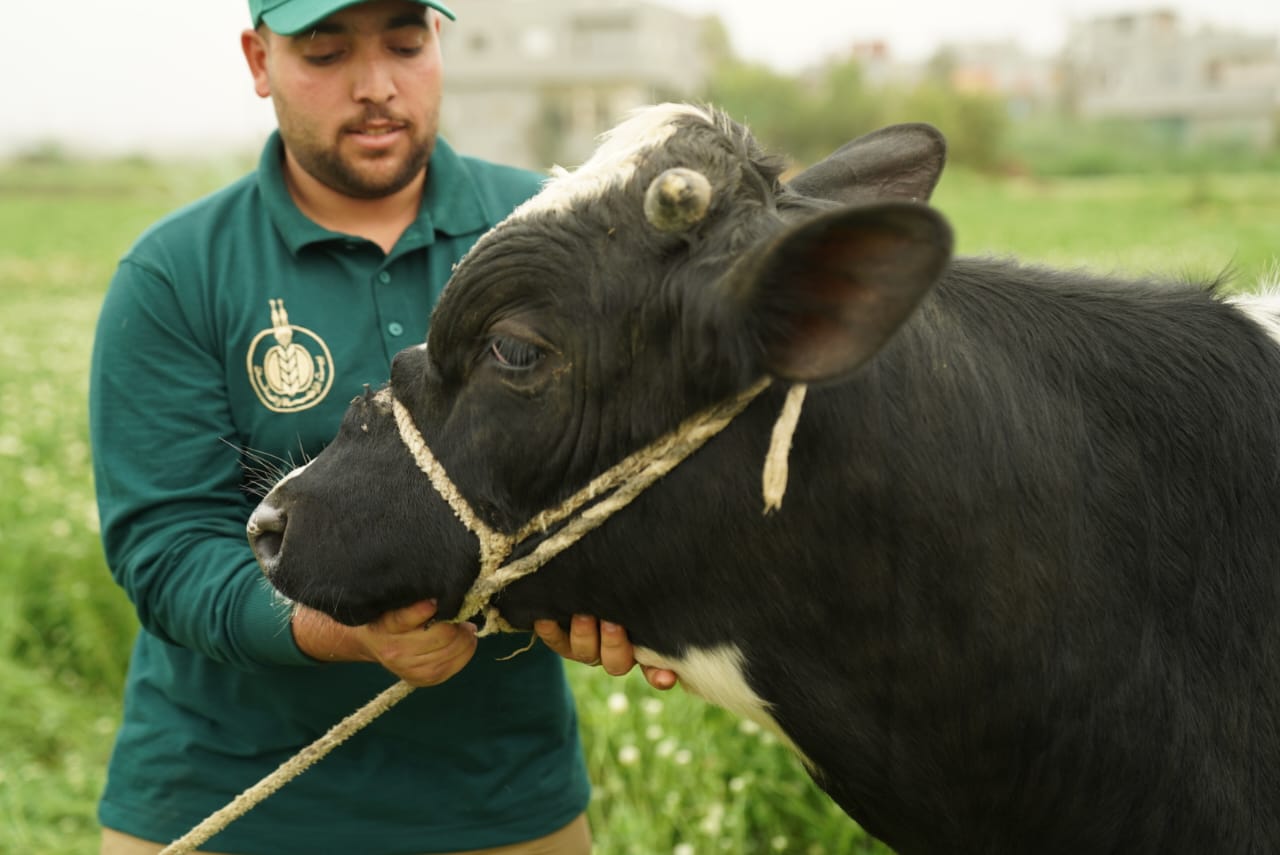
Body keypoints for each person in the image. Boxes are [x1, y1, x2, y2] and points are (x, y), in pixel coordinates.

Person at [88, 2, 675, 853]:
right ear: (259, 61)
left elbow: (633, 476)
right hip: (227, 795)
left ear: (440, 43)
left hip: (501, 801)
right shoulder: (175, 273)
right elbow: (165, 545)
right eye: (325, 54)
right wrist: (340, 630)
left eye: (405, 45)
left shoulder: (555, 234)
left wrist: (631, 601)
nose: (375, 87)